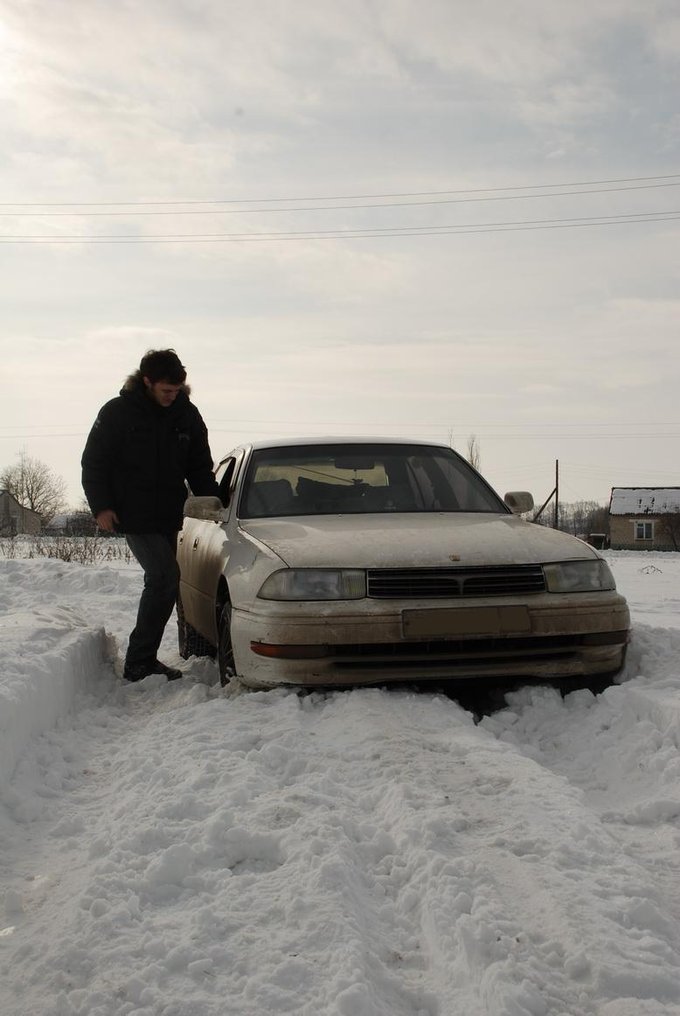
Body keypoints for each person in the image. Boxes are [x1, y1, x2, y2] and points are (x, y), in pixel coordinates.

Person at [81, 349, 220, 682]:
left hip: (169, 514)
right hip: (131, 512)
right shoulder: (117, 412)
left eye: (176, 390)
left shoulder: (187, 414)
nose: (172, 397)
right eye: (166, 391)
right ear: (147, 382)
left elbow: (199, 467)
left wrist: (217, 502)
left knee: (164, 583)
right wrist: (101, 506)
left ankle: (143, 658)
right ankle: (139, 661)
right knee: (163, 578)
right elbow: (94, 462)